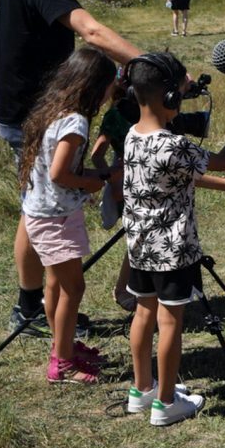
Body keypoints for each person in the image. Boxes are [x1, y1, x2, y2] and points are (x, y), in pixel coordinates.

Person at [0, 0, 143, 339]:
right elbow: (90, 30)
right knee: (40, 210)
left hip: (33, 109)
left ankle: (36, 305)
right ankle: (36, 308)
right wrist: (150, 62)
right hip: (31, 114)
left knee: (33, 208)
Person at [122, 51, 225, 426]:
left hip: (140, 246)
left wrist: (220, 187)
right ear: (170, 98)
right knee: (171, 321)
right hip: (173, 250)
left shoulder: (133, 135)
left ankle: (142, 390)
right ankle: (165, 404)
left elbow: (172, 177)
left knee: (144, 312)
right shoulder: (174, 145)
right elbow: (223, 159)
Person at [18, 46, 116, 383]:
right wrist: (91, 182)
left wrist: (92, 174)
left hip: (44, 212)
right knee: (73, 289)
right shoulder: (76, 122)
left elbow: (57, 167)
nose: (110, 94)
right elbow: (60, 173)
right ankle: (62, 363)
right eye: (109, 86)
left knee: (57, 287)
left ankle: (64, 346)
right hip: (55, 217)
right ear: (94, 86)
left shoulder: (56, 110)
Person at [89, 70, 135, 312]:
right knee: (136, 237)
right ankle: (121, 289)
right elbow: (97, 155)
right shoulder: (116, 115)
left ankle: (139, 288)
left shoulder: (149, 109)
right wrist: (113, 179)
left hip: (147, 177)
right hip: (129, 179)